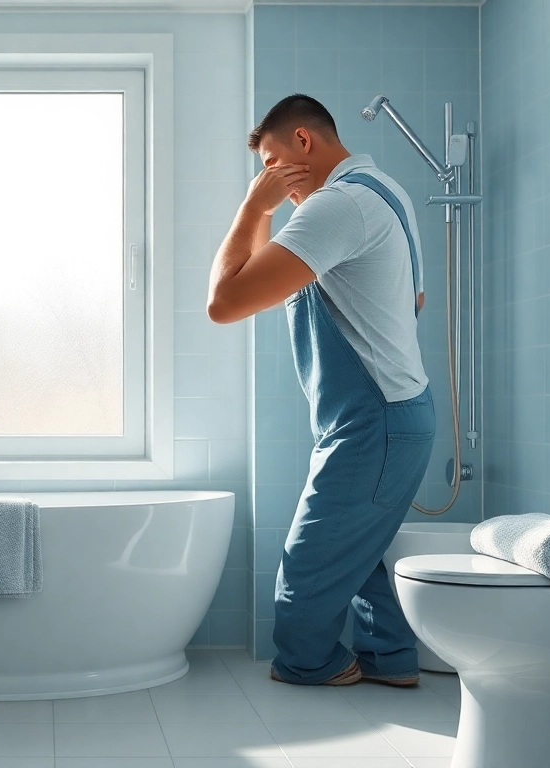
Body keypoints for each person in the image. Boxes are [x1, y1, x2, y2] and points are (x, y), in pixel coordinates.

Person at [207, 94, 434, 687]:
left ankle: (311, 663)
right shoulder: (384, 192)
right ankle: (390, 660)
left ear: (302, 143)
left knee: (309, 565)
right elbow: (413, 301)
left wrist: (251, 206)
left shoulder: (339, 207)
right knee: (358, 554)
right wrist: (264, 211)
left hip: (374, 418)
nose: (269, 178)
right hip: (390, 413)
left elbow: (225, 302)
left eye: (270, 162)